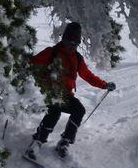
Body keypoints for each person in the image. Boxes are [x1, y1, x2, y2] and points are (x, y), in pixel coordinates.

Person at [26, 22, 116, 160]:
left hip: (65, 94)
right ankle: (38, 141)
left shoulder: (77, 58)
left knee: (79, 110)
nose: (71, 46)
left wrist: (104, 85)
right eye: (69, 42)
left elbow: (87, 75)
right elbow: (32, 65)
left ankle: (64, 142)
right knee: (54, 111)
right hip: (48, 93)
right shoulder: (51, 52)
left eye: (75, 44)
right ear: (64, 40)